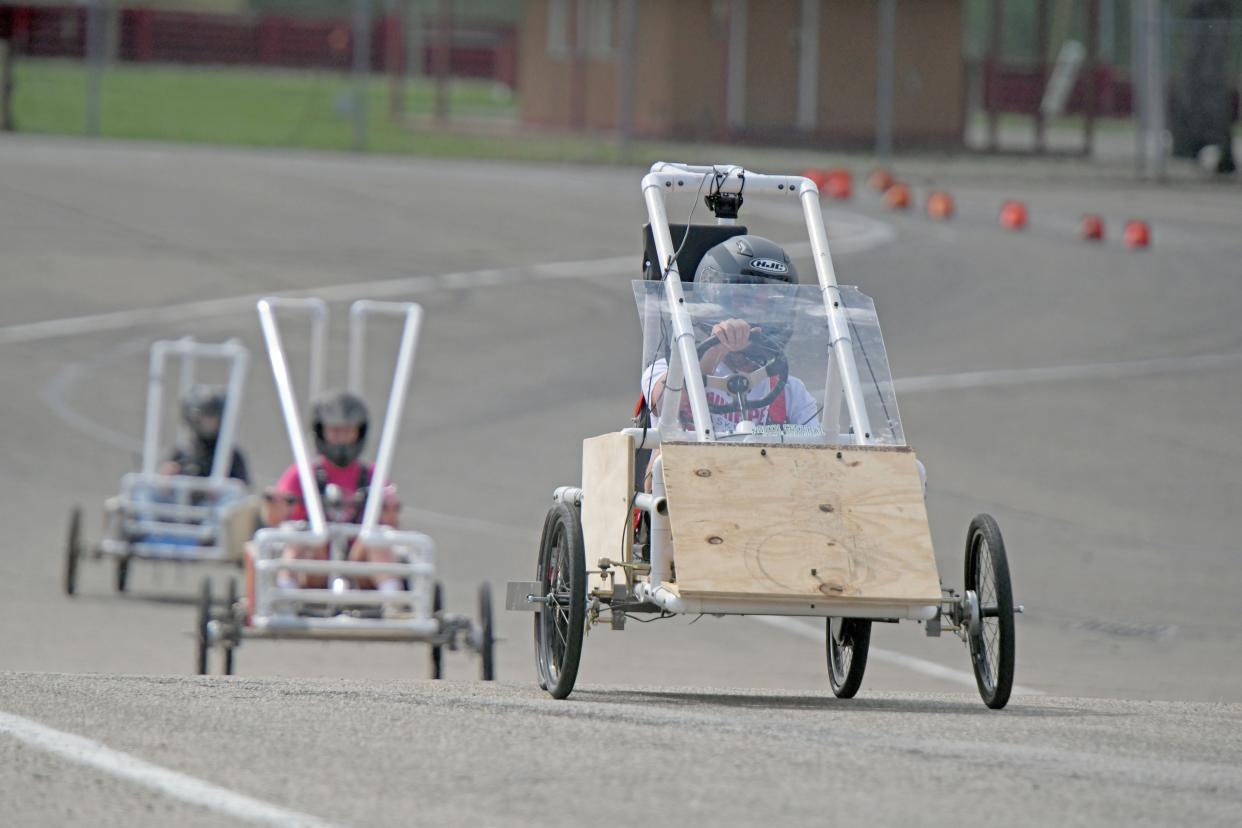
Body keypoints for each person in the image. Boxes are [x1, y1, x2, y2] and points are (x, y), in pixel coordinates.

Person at [642, 235, 819, 438]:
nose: (754, 318)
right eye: (745, 301)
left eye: (768, 306)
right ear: (717, 301)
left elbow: (817, 457)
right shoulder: (667, 370)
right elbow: (666, 407)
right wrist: (716, 349)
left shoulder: (791, 392)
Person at [262, 390, 403, 592]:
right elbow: (274, 520)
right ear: (321, 431)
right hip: (316, 562)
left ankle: (392, 597)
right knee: (301, 536)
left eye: (347, 431)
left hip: (357, 561)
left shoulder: (373, 475)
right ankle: (286, 591)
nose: (341, 439)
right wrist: (276, 505)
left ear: (359, 432)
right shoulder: (302, 474)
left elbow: (393, 526)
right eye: (335, 431)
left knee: (377, 539)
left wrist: (389, 510)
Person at [159, 385, 249, 484]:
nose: (207, 423)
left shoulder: (231, 455)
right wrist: (165, 479)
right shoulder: (182, 452)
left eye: (211, 417)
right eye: (203, 417)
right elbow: (162, 492)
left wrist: (222, 491)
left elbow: (243, 490)